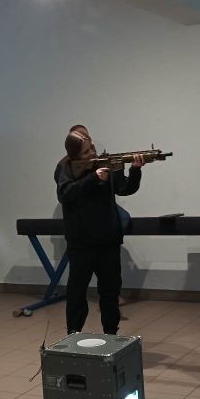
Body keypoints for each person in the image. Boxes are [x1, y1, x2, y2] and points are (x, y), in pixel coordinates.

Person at [56, 130, 147, 335]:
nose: (92, 153)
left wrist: (135, 170)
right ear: (75, 155)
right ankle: (73, 335)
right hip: (81, 242)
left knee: (110, 291)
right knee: (77, 292)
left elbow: (124, 189)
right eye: (86, 151)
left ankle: (111, 335)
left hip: (108, 240)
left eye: (93, 148)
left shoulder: (105, 163)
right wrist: (93, 178)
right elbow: (65, 194)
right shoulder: (66, 168)